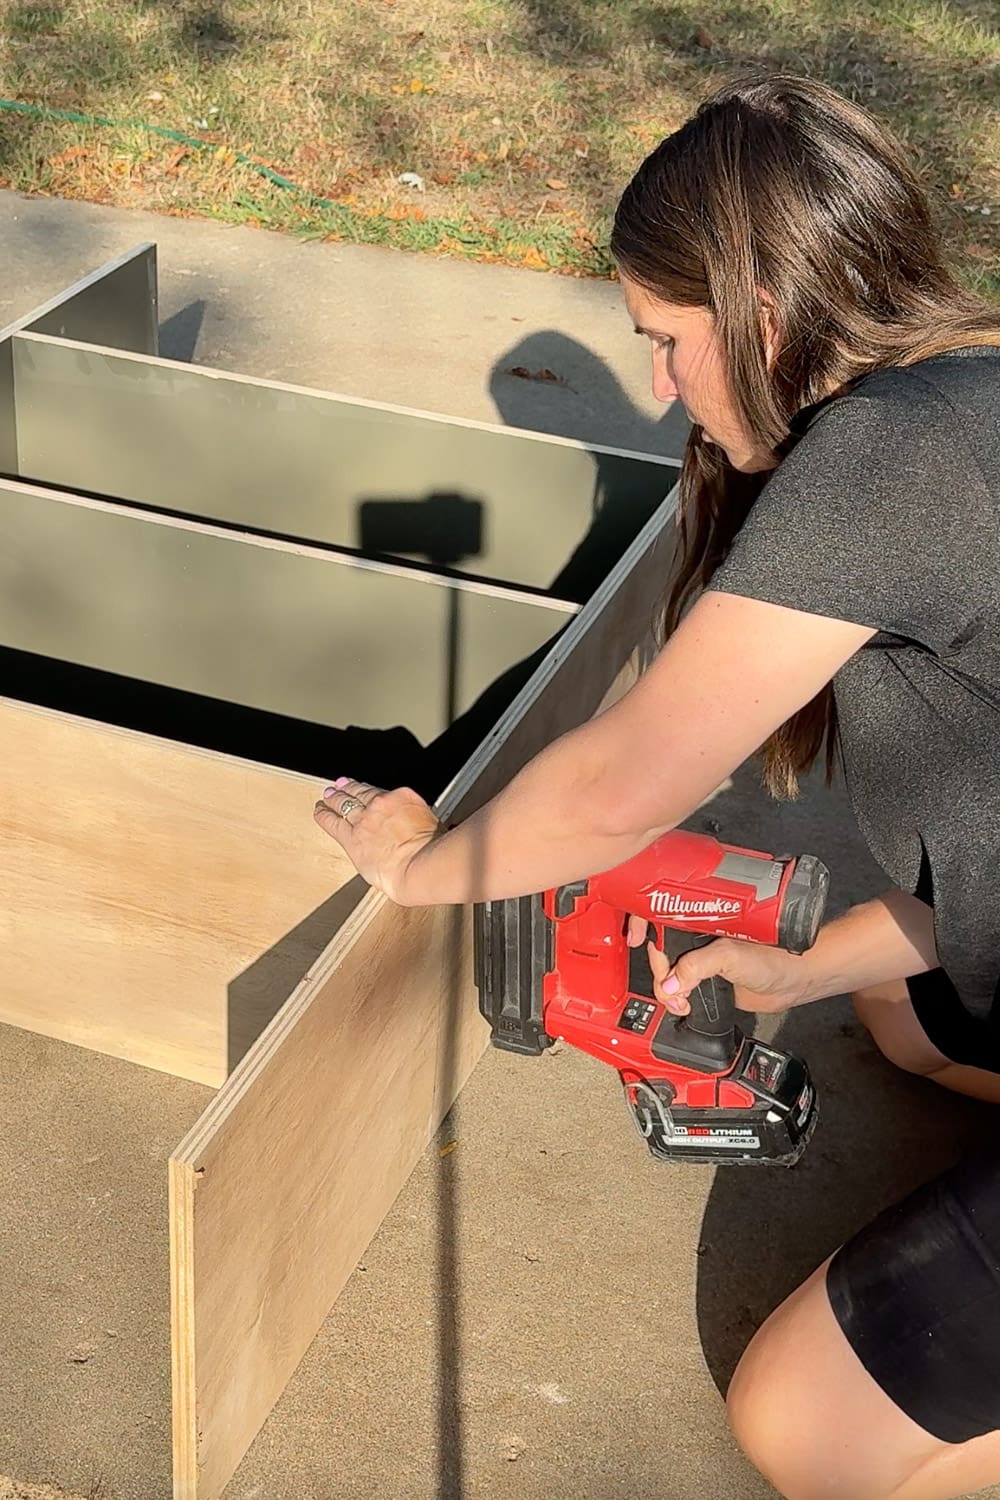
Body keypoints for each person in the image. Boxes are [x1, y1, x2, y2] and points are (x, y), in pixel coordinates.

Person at [313, 73, 1000, 1500]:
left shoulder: (883, 459)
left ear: (758, 317)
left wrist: (416, 861)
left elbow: (619, 788)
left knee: (802, 1427)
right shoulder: (964, 386)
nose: (659, 387)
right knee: (893, 1009)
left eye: (667, 341)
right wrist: (796, 962)